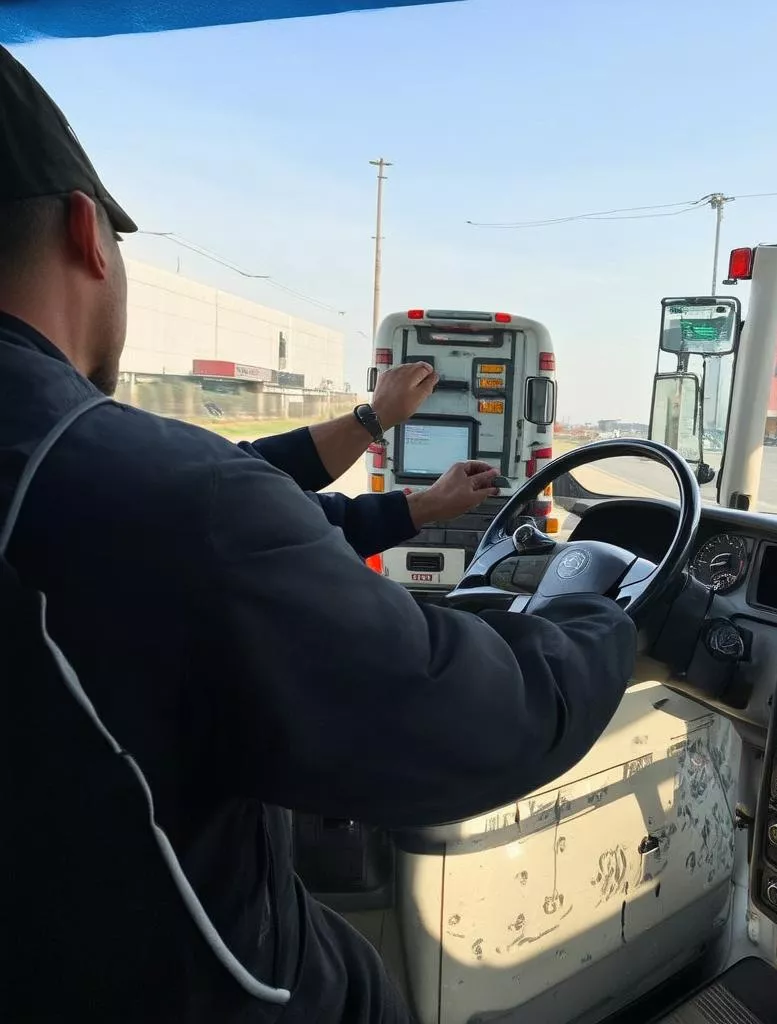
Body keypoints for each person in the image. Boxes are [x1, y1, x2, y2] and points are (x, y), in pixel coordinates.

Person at [0, 45, 637, 1023]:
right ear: (89, 234)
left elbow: (228, 499)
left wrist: (403, 498)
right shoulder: (145, 496)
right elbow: (463, 730)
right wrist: (598, 616)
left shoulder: (123, 488)